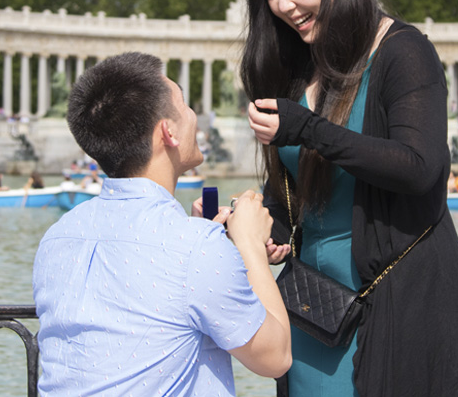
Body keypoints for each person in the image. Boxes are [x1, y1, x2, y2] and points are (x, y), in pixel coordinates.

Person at [241, 0, 458, 396]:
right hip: (314, 309)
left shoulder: (404, 51)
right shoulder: (293, 64)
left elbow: (419, 168)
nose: (283, 6)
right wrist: (275, 227)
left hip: (394, 302)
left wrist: (307, 127)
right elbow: (295, 186)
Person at [33, 52, 291, 395]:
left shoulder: (57, 236)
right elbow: (275, 357)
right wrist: (248, 244)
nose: (194, 115)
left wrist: (205, 240)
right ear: (168, 131)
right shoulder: (195, 247)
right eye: (184, 105)